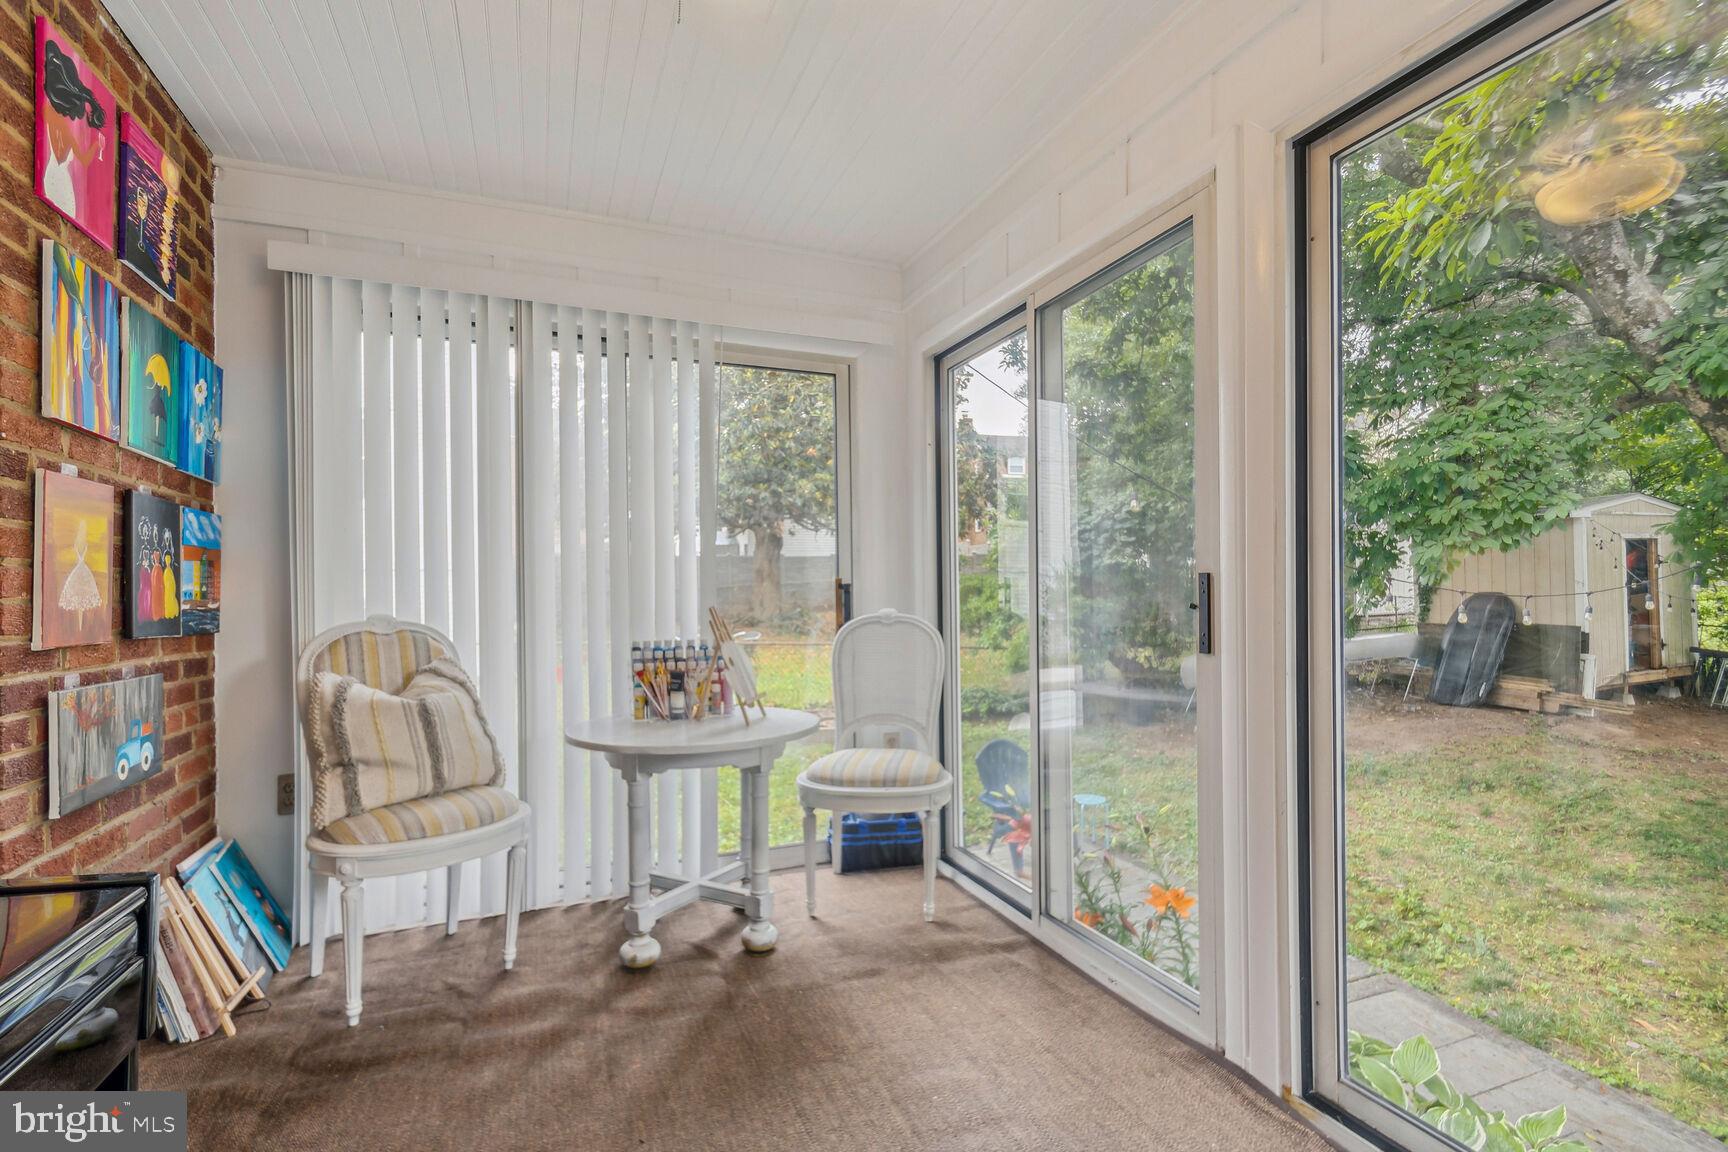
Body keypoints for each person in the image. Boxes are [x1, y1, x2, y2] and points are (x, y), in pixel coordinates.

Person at [39, 38, 106, 222]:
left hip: (51, 177)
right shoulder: (66, 131)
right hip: (59, 181)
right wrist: (96, 146)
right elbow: (83, 159)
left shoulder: (48, 112)